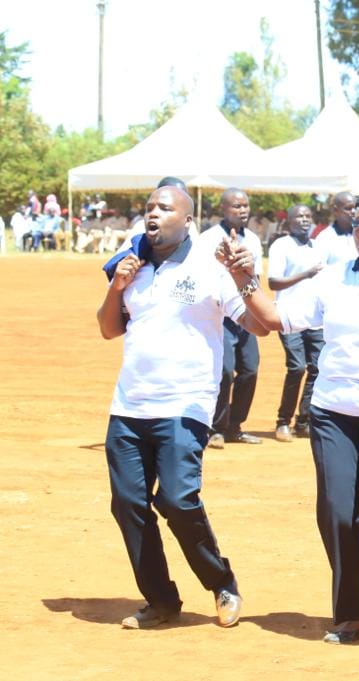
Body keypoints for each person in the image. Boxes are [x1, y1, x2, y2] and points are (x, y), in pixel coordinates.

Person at [216, 190, 359, 644]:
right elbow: (276, 318)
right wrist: (244, 276)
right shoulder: (332, 277)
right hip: (332, 411)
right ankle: (351, 613)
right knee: (338, 514)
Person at [96, 186, 267, 630]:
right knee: (129, 503)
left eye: (165, 208)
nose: (153, 214)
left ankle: (221, 580)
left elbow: (256, 325)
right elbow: (109, 328)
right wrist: (118, 286)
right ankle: (161, 600)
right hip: (130, 405)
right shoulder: (132, 263)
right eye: (149, 208)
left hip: (184, 404)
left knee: (176, 498)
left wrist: (246, 280)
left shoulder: (210, 267)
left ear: (187, 220)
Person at [196, 188, 264, 447]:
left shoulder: (254, 240)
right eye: (237, 206)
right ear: (224, 209)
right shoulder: (208, 239)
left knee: (250, 369)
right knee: (224, 371)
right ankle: (215, 427)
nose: (243, 210)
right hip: (220, 314)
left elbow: (256, 278)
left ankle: (235, 426)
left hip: (246, 313)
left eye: (246, 205)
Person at [267, 204, 325, 442]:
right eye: (299, 216)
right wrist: (306, 274)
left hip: (315, 320)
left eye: (308, 216)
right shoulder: (281, 246)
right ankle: (283, 421)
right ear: (289, 221)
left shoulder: (316, 247)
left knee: (318, 369)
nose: (304, 220)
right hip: (288, 318)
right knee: (297, 368)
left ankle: (304, 420)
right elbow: (273, 283)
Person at [315, 191, 356, 265]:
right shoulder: (325, 238)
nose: (353, 212)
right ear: (335, 210)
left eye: (355, 208)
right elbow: (319, 269)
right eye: (348, 208)